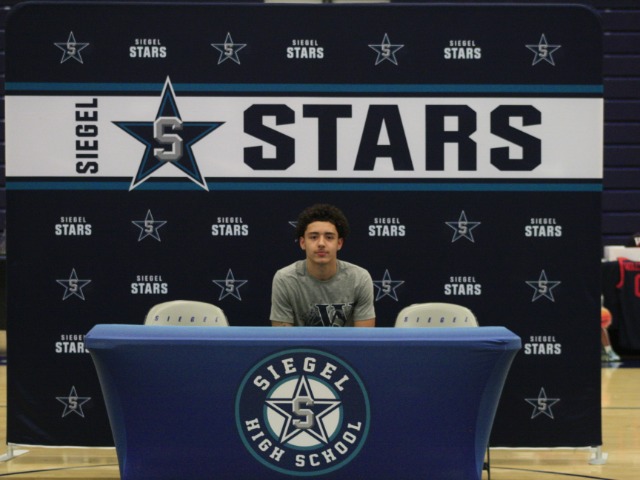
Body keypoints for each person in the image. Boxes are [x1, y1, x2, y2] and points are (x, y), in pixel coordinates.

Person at [270, 204, 376, 327]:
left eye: (329, 237)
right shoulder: (285, 279)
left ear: (339, 243)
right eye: (313, 237)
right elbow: (283, 337)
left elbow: (363, 337)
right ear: (303, 243)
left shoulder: (360, 278)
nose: (321, 243)